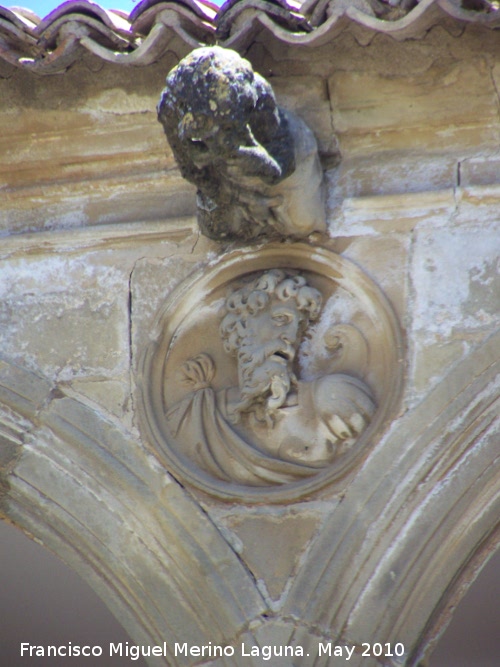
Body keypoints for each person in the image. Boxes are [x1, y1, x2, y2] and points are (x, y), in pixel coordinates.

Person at [167, 270, 375, 486]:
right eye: (280, 319)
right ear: (243, 326)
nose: (291, 335)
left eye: (299, 327)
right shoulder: (195, 417)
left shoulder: (333, 399)